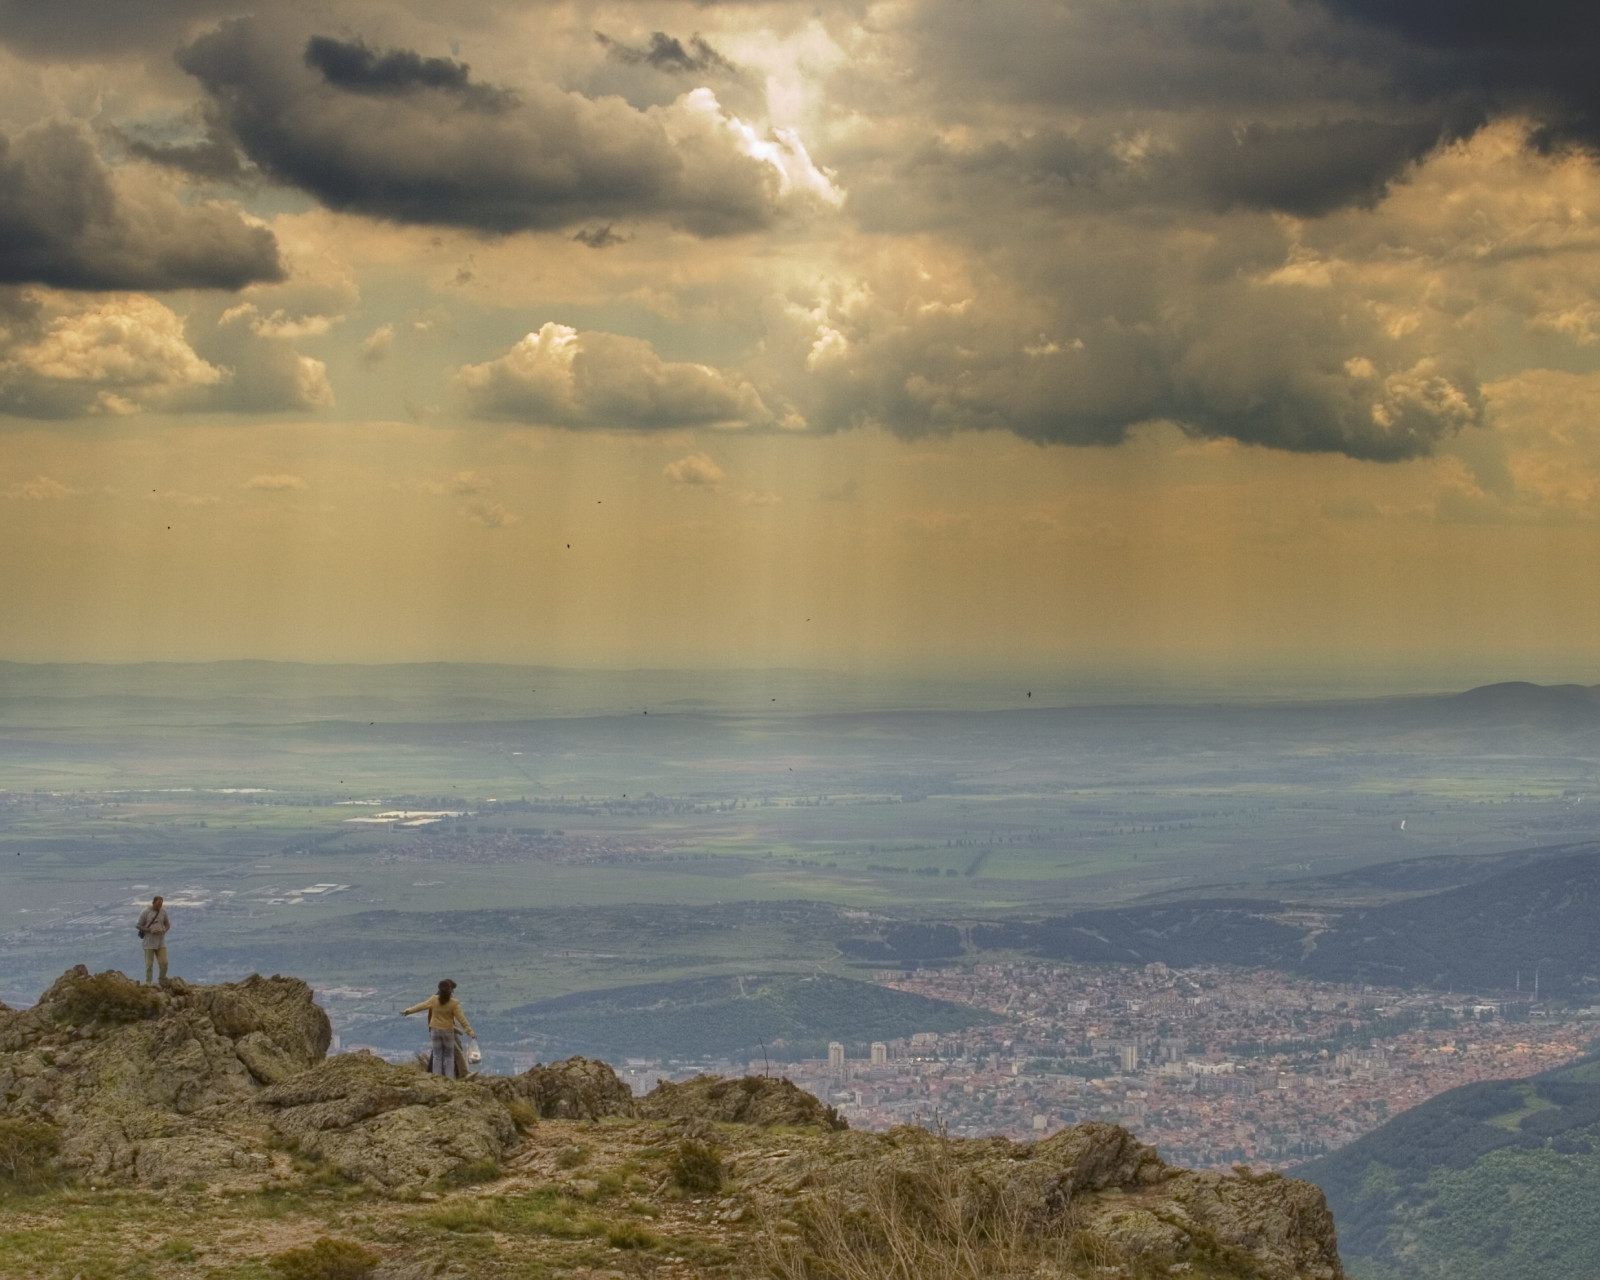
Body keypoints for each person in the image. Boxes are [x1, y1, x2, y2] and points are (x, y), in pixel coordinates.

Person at [401, 979, 475, 1079]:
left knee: (437, 1056)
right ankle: (449, 1078)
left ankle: (437, 1078)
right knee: (449, 1056)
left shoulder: (433, 999)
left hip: (434, 1031)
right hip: (447, 1031)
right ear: (450, 990)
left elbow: (421, 1006)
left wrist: (408, 1011)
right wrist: (469, 1031)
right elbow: (462, 1019)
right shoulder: (454, 1003)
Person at [136, 895, 171, 985]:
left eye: (161, 904)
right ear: (153, 903)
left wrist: (164, 930)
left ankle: (162, 979)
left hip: (161, 941)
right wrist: (149, 930)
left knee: (164, 963)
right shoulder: (146, 912)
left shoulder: (163, 912)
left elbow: (167, 924)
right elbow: (138, 925)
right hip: (149, 942)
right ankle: (149, 983)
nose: (159, 906)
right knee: (149, 964)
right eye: (157, 904)